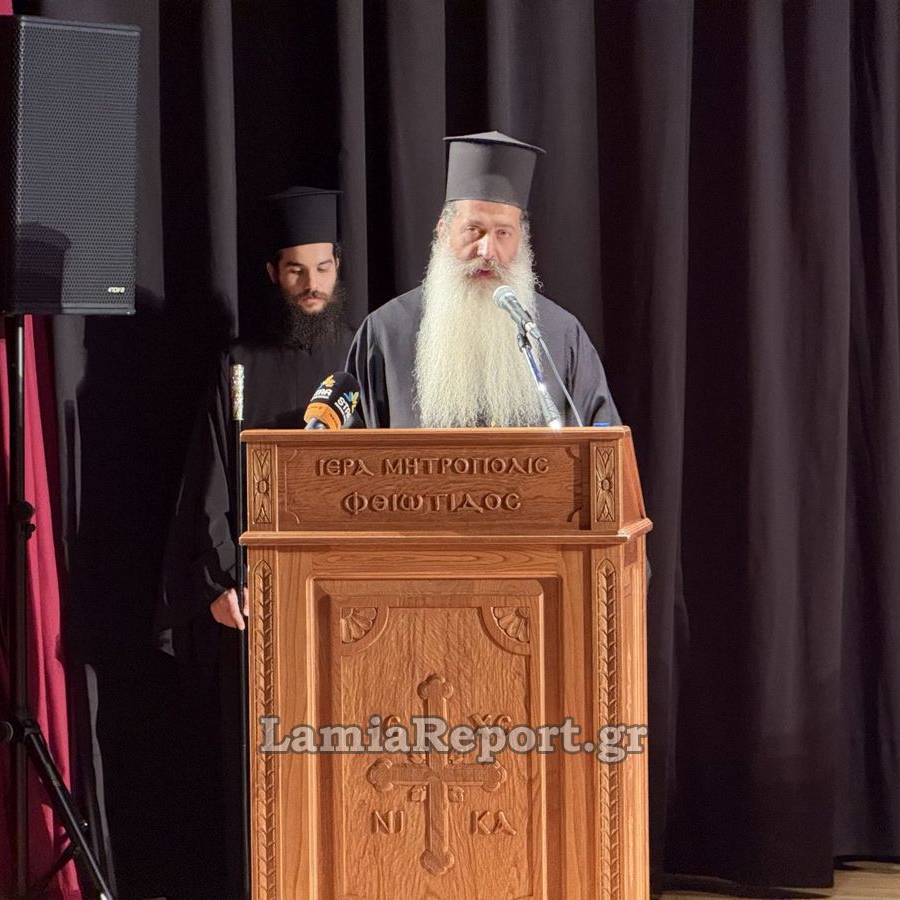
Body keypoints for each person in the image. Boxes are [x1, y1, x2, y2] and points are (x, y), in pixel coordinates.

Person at [162, 186, 352, 643]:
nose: (311, 284)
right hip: (258, 588)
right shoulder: (239, 365)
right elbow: (209, 481)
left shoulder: (362, 355)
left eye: (322, 268)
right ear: (273, 273)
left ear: (337, 266)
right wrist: (222, 580)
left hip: (349, 580)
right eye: (296, 270)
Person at [346, 131, 619, 428]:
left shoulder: (562, 337)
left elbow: (603, 442)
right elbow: (346, 450)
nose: (487, 251)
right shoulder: (385, 333)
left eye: (503, 233)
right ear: (443, 231)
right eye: (473, 230)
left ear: (521, 239)